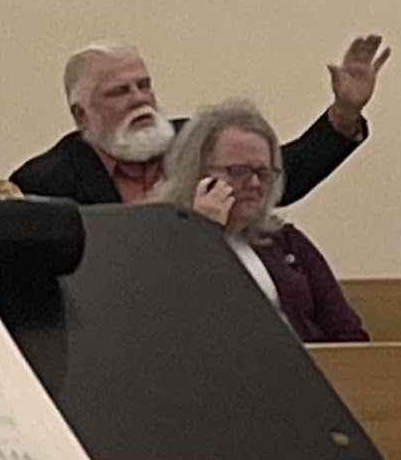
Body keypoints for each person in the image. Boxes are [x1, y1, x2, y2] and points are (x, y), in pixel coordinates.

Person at [10, 34, 388, 206]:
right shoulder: (44, 183)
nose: (139, 99)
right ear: (81, 115)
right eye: (120, 92)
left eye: (144, 85)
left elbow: (282, 176)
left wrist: (345, 113)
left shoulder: (196, 139)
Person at [154, 98, 368, 343]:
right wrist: (203, 235)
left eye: (263, 173)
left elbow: (348, 332)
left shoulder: (285, 241)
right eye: (239, 171)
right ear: (198, 172)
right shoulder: (163, 245)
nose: (255, 183)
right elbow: (175, 327)